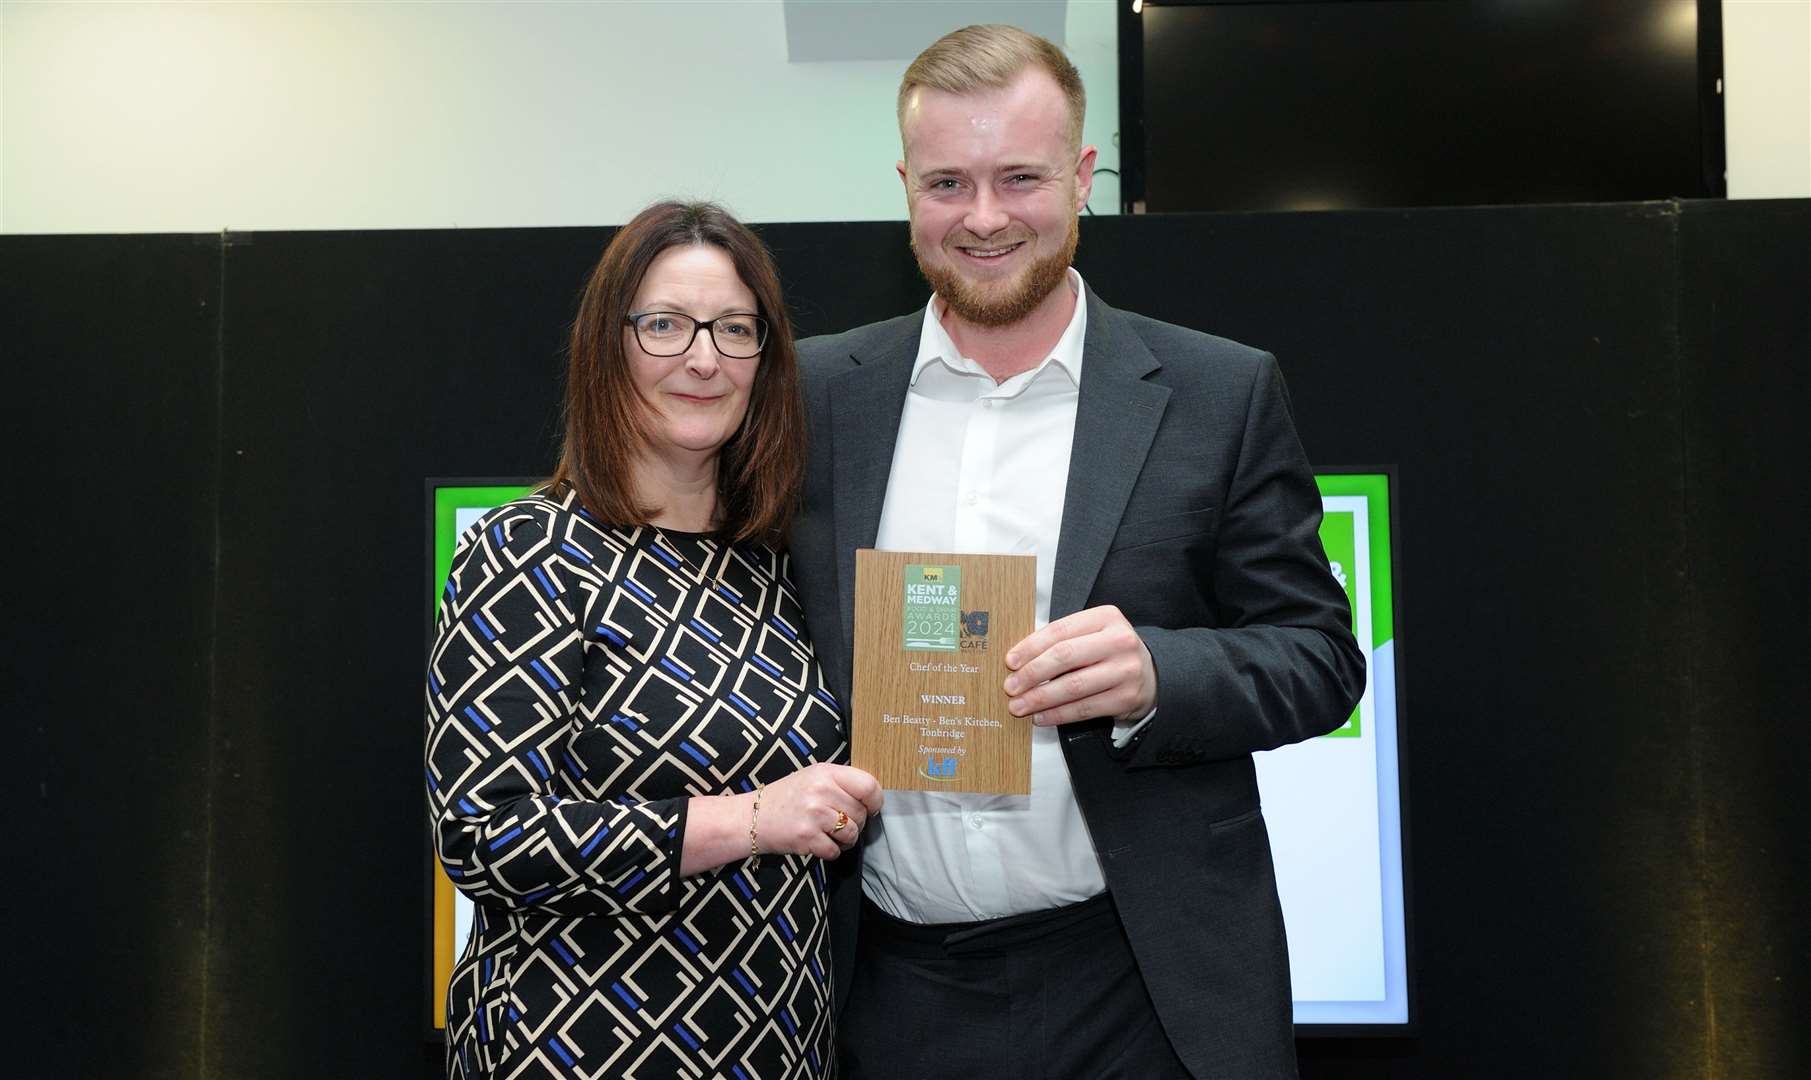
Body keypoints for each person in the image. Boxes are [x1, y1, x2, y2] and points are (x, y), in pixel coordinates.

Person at [788, 25, 1367, 1080]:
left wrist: (1158, 672)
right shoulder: (814, 395)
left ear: (1082, 175)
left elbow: (1320, 659)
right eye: (948, 183)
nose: (984, 217)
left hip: (1138, 985)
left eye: (1019, 177)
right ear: (905, 186)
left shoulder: (1214, 394)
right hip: (882, 992)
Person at [426, 200, 882, 1080]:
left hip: (775, 1046)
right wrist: (751, 819)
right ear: (609, 344)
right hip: (579, 1048)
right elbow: (484, 836)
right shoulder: (532, 549)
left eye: (734, 329)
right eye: (665, 325)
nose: (702, 359)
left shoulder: (776, 562)